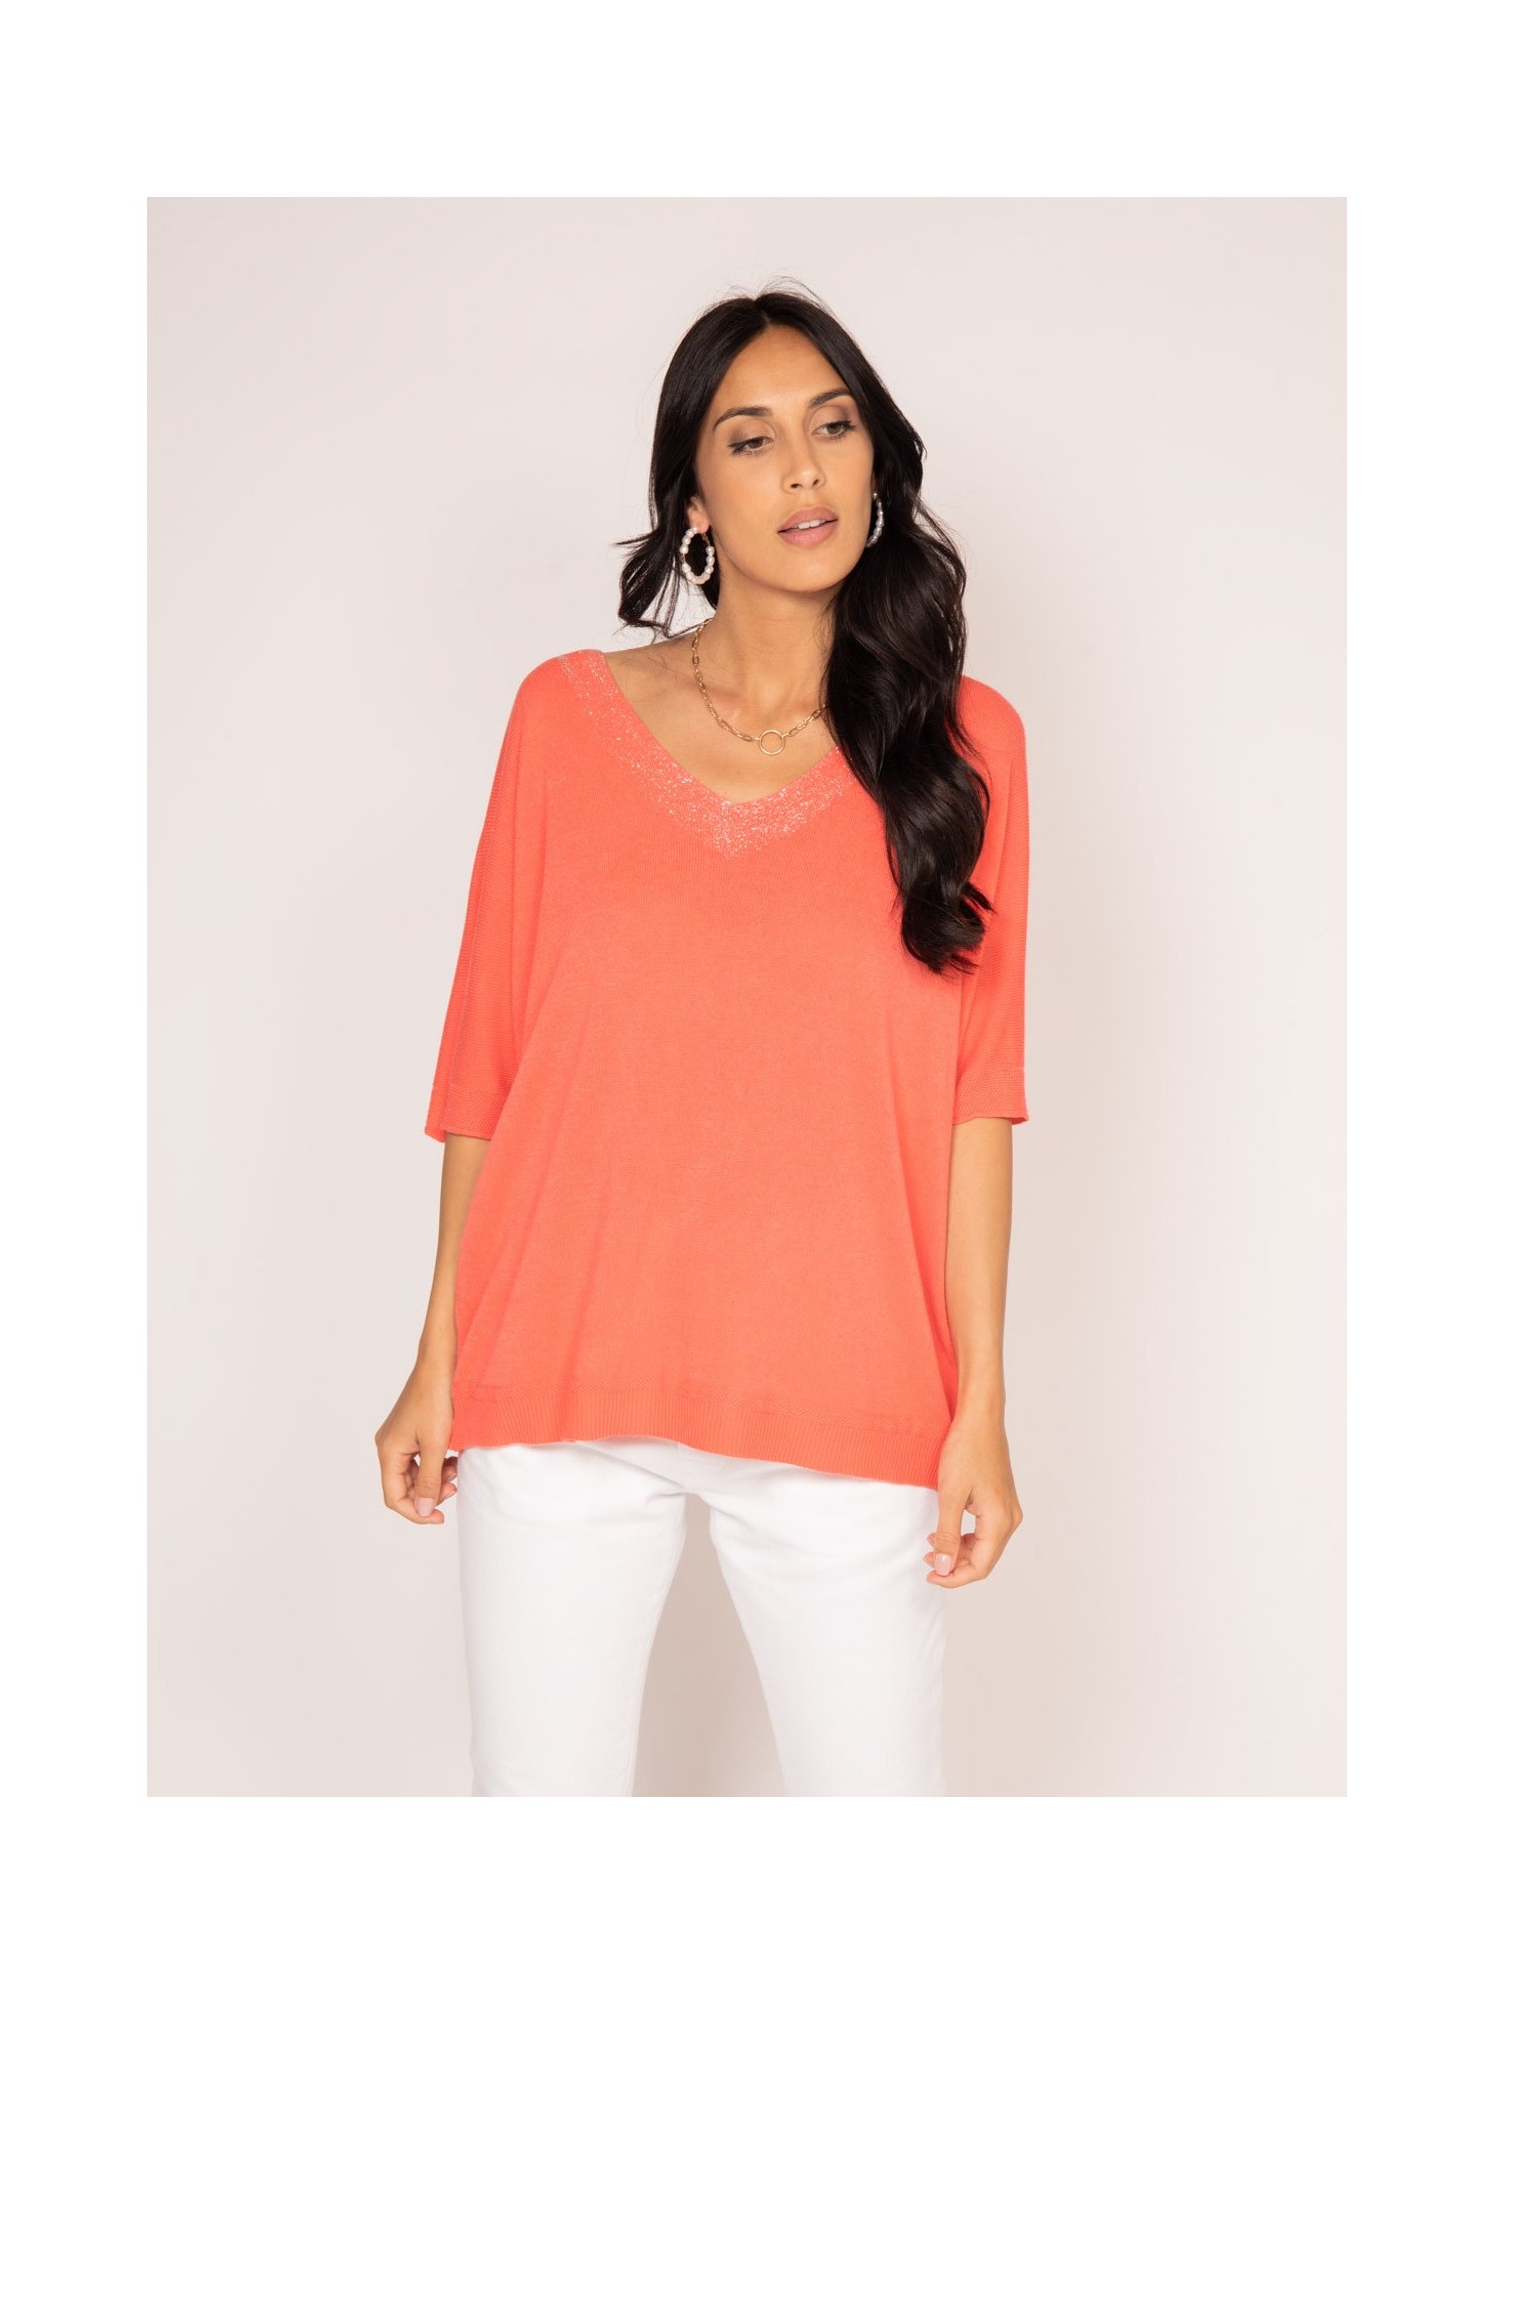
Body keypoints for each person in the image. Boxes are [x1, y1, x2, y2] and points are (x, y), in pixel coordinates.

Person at [373, 284, 1030, 1795]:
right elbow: (487, 1063)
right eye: (751, 438)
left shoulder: (965, 748)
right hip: (561, 1375)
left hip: (847, 1383)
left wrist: (981, 1408)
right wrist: (437, 1357)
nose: (803, 468)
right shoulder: (561, 719)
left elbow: (976, 1098)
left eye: (834, 426)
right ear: (691, 498)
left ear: (876, 463)